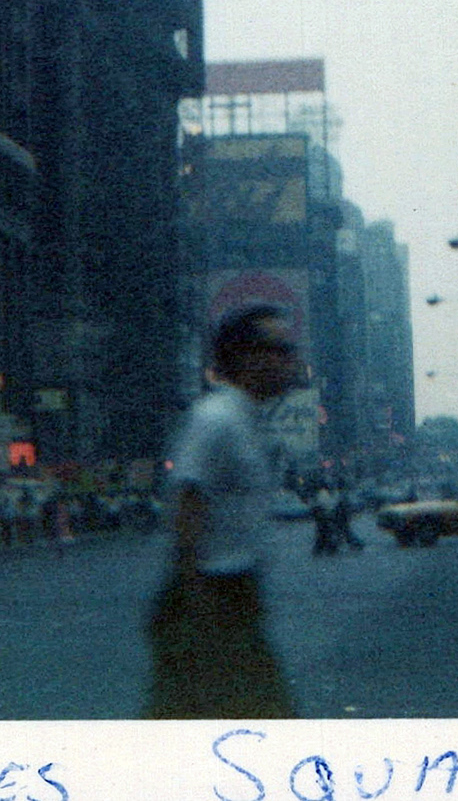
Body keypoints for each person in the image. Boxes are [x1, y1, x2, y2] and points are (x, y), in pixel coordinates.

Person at [143, 304, 301, 719]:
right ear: (248, 356)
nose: (291, 360)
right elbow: (188, 501)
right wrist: (196, 602)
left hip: (236, 595)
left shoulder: (247, 419)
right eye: (280, 349)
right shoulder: (216, 419)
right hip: (212, 597)